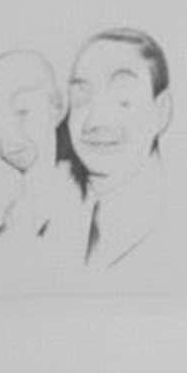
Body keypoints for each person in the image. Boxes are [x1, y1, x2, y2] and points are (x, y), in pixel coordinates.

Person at [63, 26, 174, 269]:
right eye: (81, 97)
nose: (94, 121)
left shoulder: (176, 228)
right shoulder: (61, 222)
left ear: (161, 111)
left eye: (122, 99)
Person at [0, 49, 77, 249]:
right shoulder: (16, 214)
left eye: (22, 113)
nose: (9, 138)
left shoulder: (80, 202)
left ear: (57, 105)